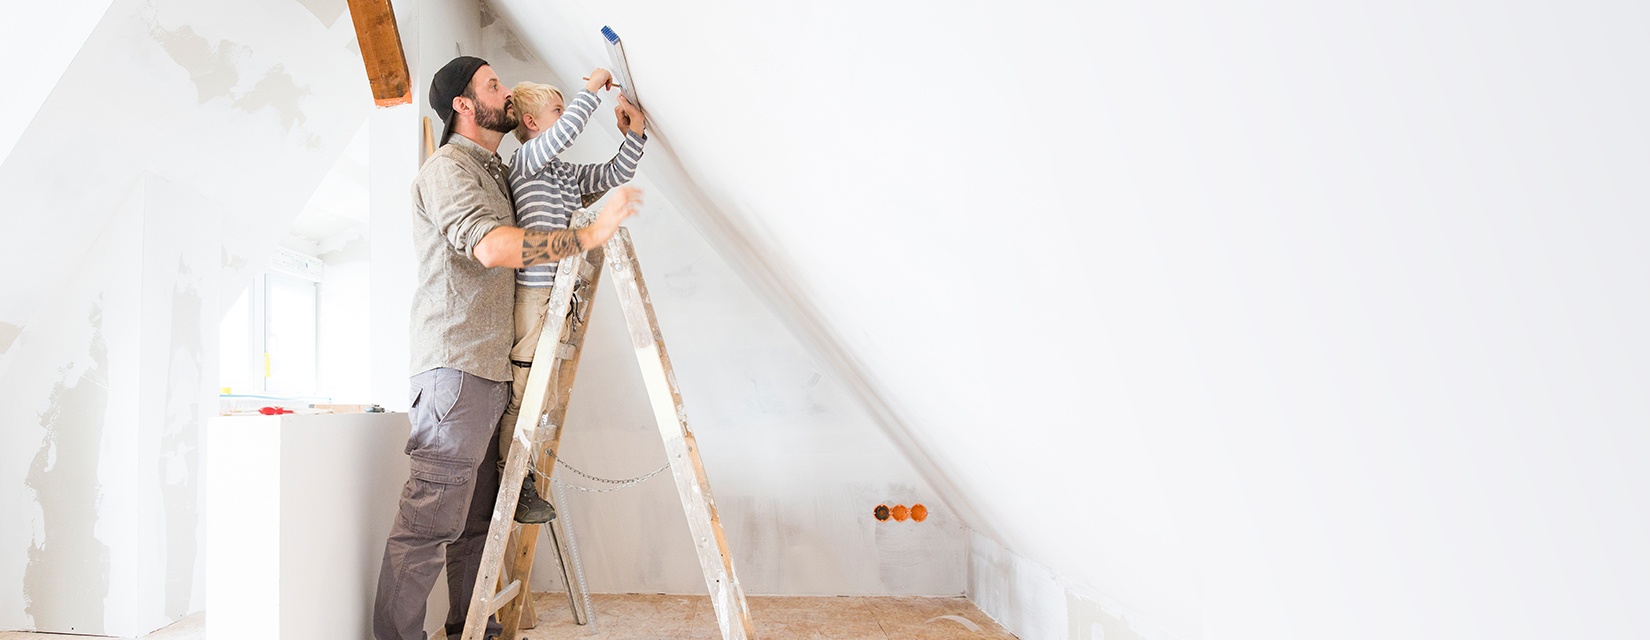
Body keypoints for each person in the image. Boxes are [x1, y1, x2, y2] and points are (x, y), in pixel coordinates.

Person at [373, 55, 642, 640]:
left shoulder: (497, 170)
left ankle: (476, 630)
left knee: (475, 525)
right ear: (464, 106)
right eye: (494, 86)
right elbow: (491, 248)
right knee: (429, 523)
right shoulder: (447, 170)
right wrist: (586, 236)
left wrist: (630, 140)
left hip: (489, 368)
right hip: (456, 365)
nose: (507, 96)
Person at [497, 72, 650, 525]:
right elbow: (568, 131)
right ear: (532, 121)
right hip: (535, 294)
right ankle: (513, 482)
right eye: (557, 111)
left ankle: (522, 473)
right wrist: (593, 89)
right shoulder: (525, 160)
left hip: (559, 297)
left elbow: (614, 174)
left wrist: (635, 133)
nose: (565, 120)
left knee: (540, 396)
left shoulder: (562, 173)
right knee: (523, 395)